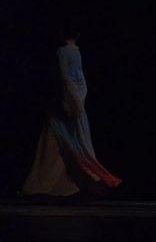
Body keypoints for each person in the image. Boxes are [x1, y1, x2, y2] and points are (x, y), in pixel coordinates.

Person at [22, 28, 122, 197]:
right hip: (70, 102)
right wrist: (77, 100)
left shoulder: (64, 51)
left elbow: (67, 78)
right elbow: (75, 79)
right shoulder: (73, 51)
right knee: (64, 144)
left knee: (59, 144)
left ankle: (52, 185)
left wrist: (72, 102)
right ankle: (53, 185)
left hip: (67, 103)